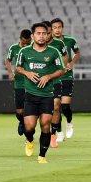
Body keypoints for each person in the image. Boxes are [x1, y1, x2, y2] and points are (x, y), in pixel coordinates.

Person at [15, 22, 66, 163]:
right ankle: (30, 140)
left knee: (45, 124)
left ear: (47, 35)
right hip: (30, 95)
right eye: (38, 33)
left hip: (47, 95)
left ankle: (42, 155)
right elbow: (18, 67)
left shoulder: (53, 52)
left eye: (44, 33)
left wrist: (49, 76)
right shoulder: (24, 52)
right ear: (32, 36)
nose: (42, 36)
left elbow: (61, 69)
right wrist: (27, 73)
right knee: (29, 127)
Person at [51, 18, 80, 140]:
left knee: (65, 106)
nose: (57, 30)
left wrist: (72, 63)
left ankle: (69, 121)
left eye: (59, 27)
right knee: (55, 107)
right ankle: (59, 132)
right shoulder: (48, 43)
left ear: (62, 28)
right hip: (54, 78)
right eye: (55, 28)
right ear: (51, 29)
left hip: (67, 76)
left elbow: (77, 52)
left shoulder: (70, 40)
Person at [5, 29, 32, 137]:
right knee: (20, 112)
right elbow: (7, 60)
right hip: (19, 82)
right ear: (20, 39)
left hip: (31, 83)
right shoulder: (14, 48)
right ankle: (21, 121)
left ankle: (28, 131)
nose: (26, 45)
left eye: (28, 43)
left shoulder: (34, 47)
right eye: (24, 43)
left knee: (30, 109)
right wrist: (11, 72)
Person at [45, 21, 68, 146]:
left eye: (49, 33)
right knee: (43, 111)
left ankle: (53, 133)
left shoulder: (59, 44)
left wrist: (62, 68)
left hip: (56, 80)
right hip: (41, 82)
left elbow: (65, 55)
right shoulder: (36, 45)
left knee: (56, 106)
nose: (48, 35)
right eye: (46, 33)